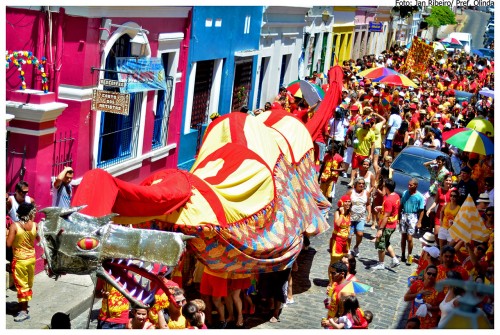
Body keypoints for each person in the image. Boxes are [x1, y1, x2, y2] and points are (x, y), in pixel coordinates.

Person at [6, 202, 37, 322]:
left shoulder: (15, 226)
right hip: (31, 259)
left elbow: (8, 244)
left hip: (20, 260)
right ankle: (21, 305)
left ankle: (24, 311)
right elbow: (40, 239)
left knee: (22, 285)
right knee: (28, 284)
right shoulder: (35, 225)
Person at [403, 264, 445, 329]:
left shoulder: (439, 290)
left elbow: (441, 307)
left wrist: (429, 308)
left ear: (436, 276)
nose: (431, 276)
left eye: (433, 275)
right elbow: (406, 298)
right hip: (414, 320)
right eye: (429, 273)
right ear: (425, 273)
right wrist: (418, 293)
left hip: (429, 323)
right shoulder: (417, 284)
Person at [372, 178, 400, 270]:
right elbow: (392, 209)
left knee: (381, 244)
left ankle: (381, 263)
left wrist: (380, 229)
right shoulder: (396, 196)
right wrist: (381, 207)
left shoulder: (388, 200)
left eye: (384, 186)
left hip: (387, 226)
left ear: (387, 188)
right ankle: (394, 259)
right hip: (393, 225)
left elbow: (386, 216)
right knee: (387, 242)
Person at [399, 178, 425, 265]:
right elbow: (401, 204)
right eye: (408, 185)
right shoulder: (405, 193)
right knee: (403, 236)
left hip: (413, 216)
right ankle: (403, 254)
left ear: (416, 186)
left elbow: (421, 210)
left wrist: (419, 221)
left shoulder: (420, 197)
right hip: (404, 215)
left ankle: (409, 255)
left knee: (409, 238)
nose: (409, 186)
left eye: (411, 185)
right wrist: (399, 217)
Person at [346, 178, 371, 258]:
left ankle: (356, 246)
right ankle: (348, 249)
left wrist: (369, 214)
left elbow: (368, 204)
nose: (361, 185)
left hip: (361, 217)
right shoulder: (351, 192)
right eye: (359, 183)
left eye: (363, 183)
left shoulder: (366, 193)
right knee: (349, 234)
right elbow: (345, 201)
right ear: (356, 184)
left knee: (360, 234)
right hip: (351, 217)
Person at [426, 174, 453, 240]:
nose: (448, 182)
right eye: (447, 180)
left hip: (448, 215)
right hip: (439, 214)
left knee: (446, 236)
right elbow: (436, 201)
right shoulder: (439, 190)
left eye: (450, 180)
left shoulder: (453, 191)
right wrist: (430, 209)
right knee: (436, 233)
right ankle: (438, 247)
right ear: (444, 181)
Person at [329, 195, 351, 267]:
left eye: (349, 202)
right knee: (334, 261)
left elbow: (349, 226)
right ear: (342, 203)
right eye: (346, 202)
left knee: (344, 261)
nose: (348, 203)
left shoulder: (349, 213)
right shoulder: (338, 213)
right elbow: (337, 224)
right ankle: (331, 277)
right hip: (337, 239)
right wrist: (342, 213)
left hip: (345, 240)